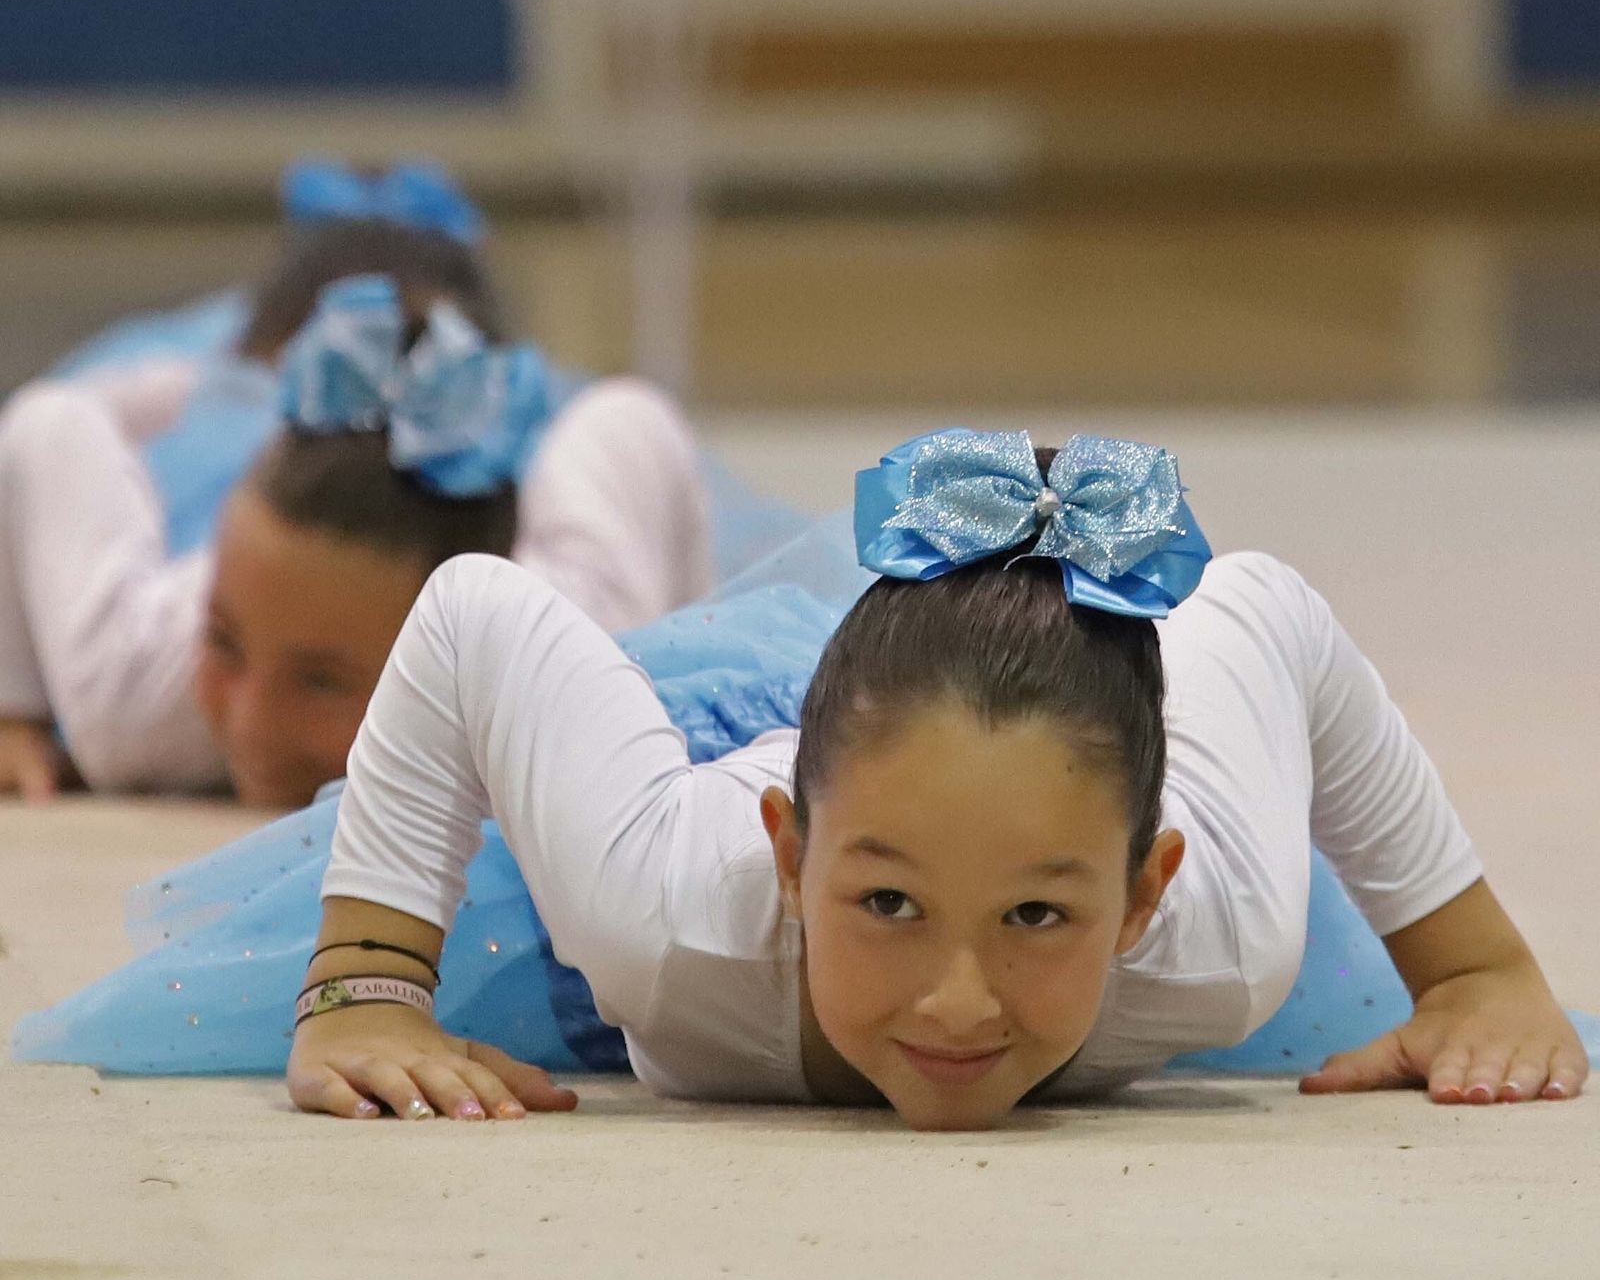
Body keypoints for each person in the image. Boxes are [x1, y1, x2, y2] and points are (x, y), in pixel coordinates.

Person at [285, 426, 1588, 1130]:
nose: (957, 1002)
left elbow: (1262, 605)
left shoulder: (1225, 936)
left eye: (1036, 914)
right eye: (889, 904)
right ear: (790, 855)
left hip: (1005, 754)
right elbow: (472, 616)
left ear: (1144, 896)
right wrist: (365, 984)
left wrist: (1473, 966)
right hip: (777, 744)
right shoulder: (663, 910)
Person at [0, 244, 709, 809]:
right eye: (224, 642)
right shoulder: (134, 698)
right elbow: (48, 423)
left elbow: (633, 421)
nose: (250, 726)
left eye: (321, 681)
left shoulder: (577, 669)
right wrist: (16, 704)